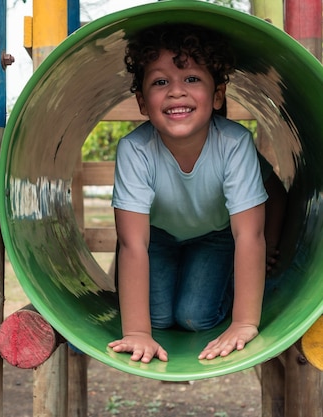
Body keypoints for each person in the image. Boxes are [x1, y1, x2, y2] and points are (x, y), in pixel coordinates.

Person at [109, 23, 268, 363]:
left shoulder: (235, 144)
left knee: (194, 318)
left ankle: (225, 284)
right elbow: (133, 243)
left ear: (218, 94)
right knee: (160, 320)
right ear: (141, 101)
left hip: (216, 235)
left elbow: (249, 235)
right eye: (160, 81)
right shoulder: (135, 150)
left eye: (192, 79)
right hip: (159, 237)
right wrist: (138, 333)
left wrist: (243, 322)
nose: (175, 92)